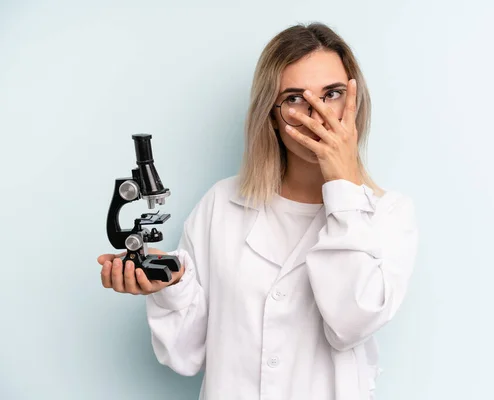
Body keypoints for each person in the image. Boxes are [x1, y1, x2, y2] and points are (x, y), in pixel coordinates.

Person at [97, 22, 419, 400]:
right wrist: (172, 288)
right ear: (271, 113)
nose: (317, 116)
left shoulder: (388, 215)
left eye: (331, 94)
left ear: (354, 102)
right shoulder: (221, 203)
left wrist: (343, 188)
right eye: (296, 98)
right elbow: (184, 356)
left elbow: (350, 323)